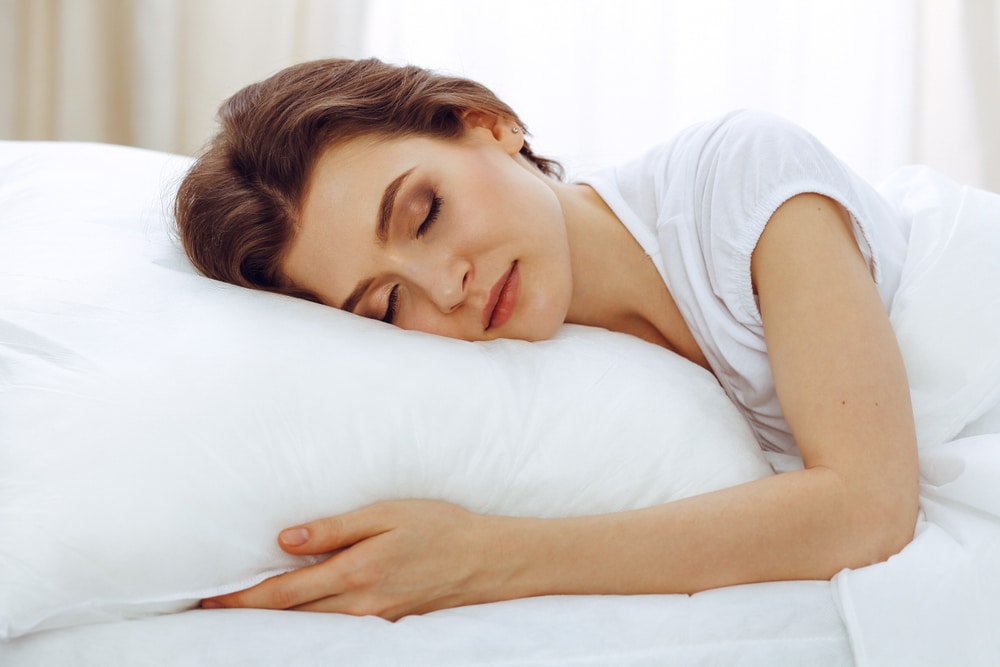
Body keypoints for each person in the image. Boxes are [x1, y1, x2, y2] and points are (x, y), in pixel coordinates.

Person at [176, 58, 919, 621]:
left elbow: (869, 508)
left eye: (425, 212)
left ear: (490, 123)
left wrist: (480, 558)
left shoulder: (742, 175)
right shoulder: (559, 378)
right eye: (388, 305)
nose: (446, 286)